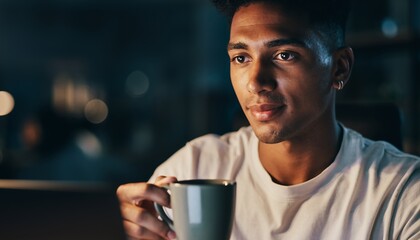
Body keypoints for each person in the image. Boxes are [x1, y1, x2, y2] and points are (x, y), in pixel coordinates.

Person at [116, 0, 420, 239]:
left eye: (284, 55)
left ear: (339, 68)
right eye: (241, 58)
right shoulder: (192, 169)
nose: (256, 82)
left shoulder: (402, 193)